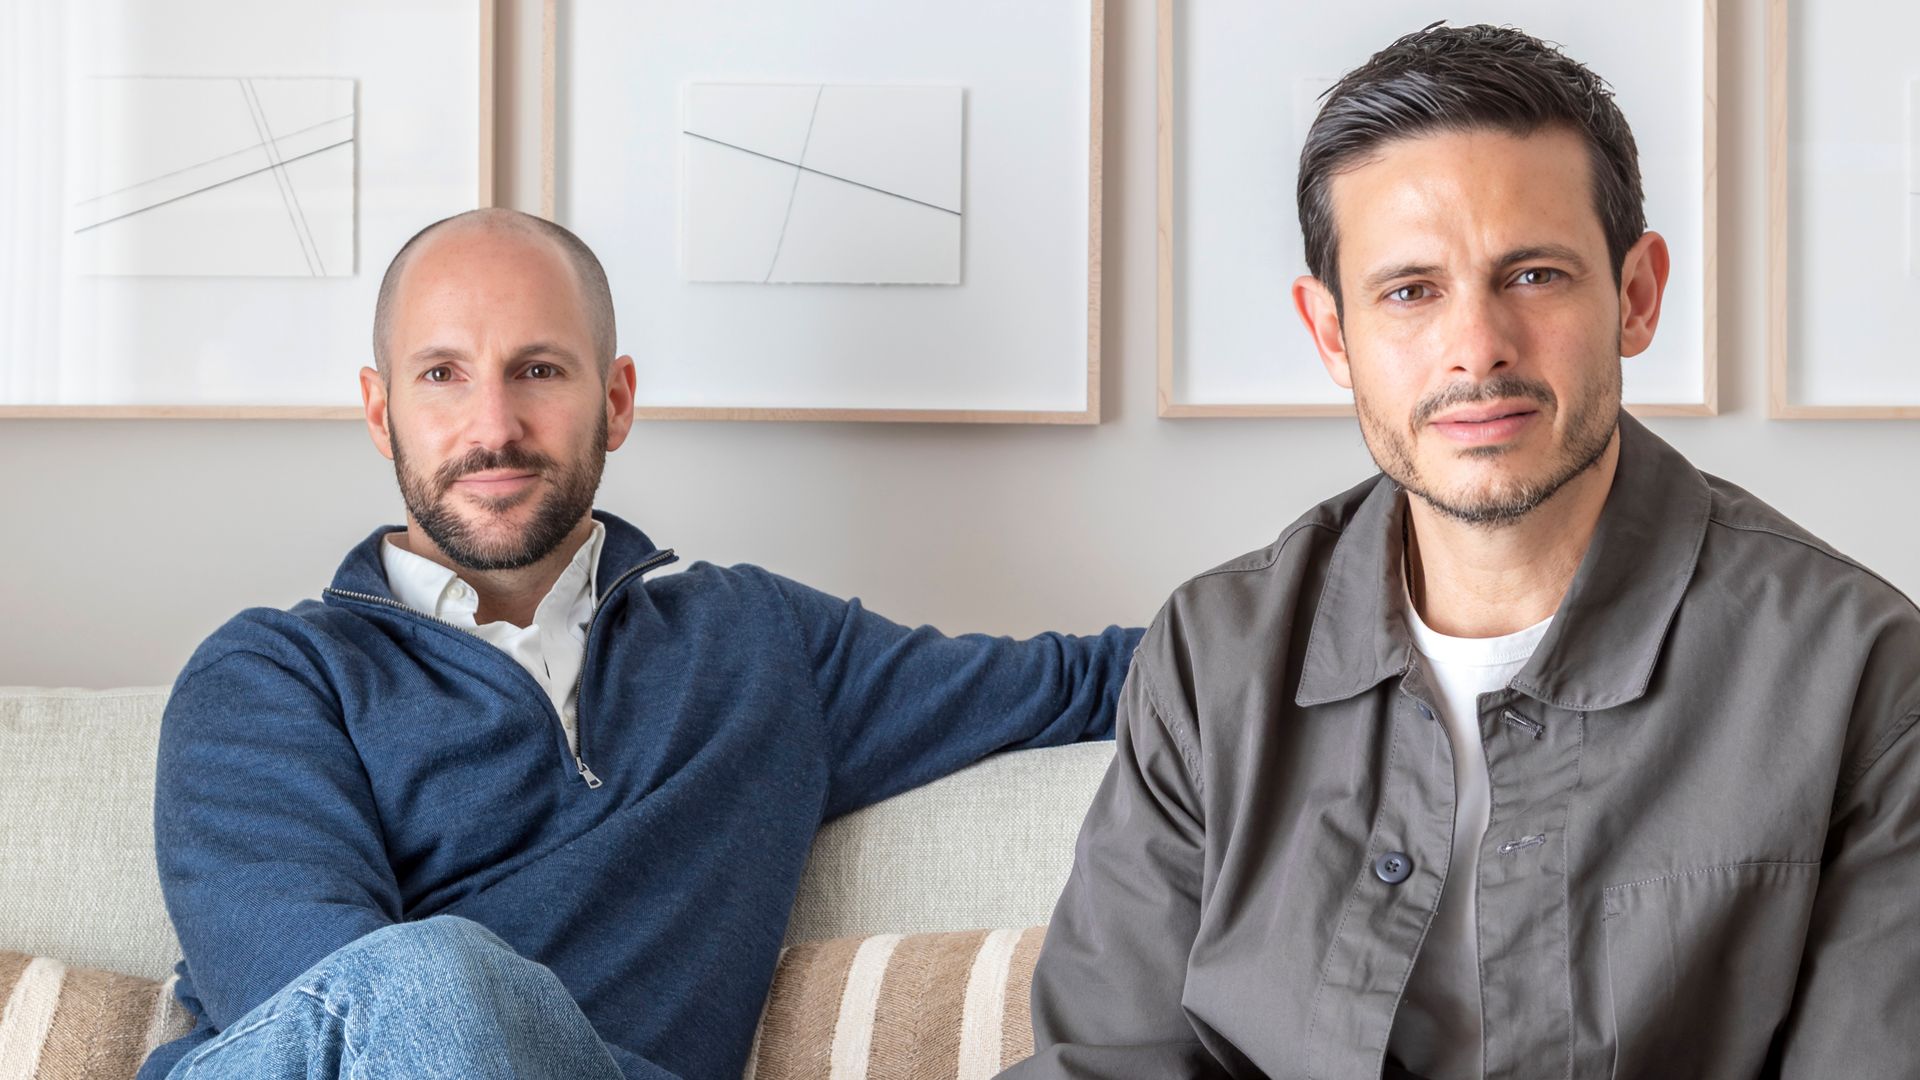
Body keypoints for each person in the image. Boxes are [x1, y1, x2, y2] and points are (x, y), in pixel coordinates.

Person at [1007, 24, 1920, 1080]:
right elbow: (1106, 1059)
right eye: (1410, 291)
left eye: (1532, 275)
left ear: (1635, 295)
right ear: (1332, 334)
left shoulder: (1863, 673)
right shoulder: (1209, 660)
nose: (1477, 345)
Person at [138, 208, 1142, 1080]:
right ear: (380, 410)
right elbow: (327, 1005)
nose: (494, 424)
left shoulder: (763, 646)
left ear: (615, 401)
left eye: (538, 369)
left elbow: (1097, 680)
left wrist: (1302, 592)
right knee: (427, 980)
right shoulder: (271, 679)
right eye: (442, 374)